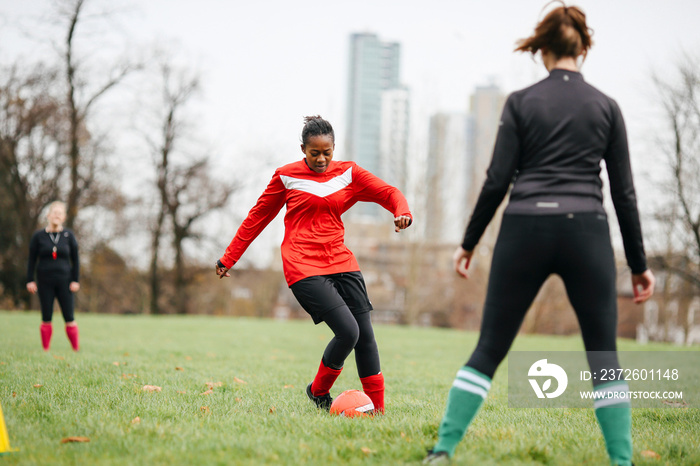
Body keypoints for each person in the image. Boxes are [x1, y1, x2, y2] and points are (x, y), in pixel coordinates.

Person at [423, 4, 655, 465]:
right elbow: (625, 195)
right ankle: (622, 462)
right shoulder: (607, 107)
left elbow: (496, 180)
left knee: (489, 348)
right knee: (603, 356)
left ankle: (443, 451)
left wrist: (468, 243)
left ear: (542, 49)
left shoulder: (521, 102)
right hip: (586, 230)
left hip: (524, 226)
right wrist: (639, 265)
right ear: (584, 48)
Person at [215, 115, 412, 414]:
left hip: (341, 260)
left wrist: (401, 211)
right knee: (348, 332)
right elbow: (258, 217)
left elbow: (389, 193)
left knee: (365, 335)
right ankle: (318, 391)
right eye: (314, 153)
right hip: (302, 264)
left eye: (327, 152)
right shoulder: (286, 176)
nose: (321, 159)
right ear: (303, 149)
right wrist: (229, 257)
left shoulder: (349, 173)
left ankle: (379, 413)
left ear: (334, 148)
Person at [26, 201, 81, 352]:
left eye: (60, 213)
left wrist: (75, 280)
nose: (56, 215)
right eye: (54, 212)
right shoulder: (38, 236)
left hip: (65, 282)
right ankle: (45, 349)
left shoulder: (69, 235)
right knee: (46, 316)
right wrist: (30, 279)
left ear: (64, 217)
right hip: (44, 281)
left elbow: (76, 260)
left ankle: (76, 349)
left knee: (69, 317)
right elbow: (31, 259)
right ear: (48, 215)